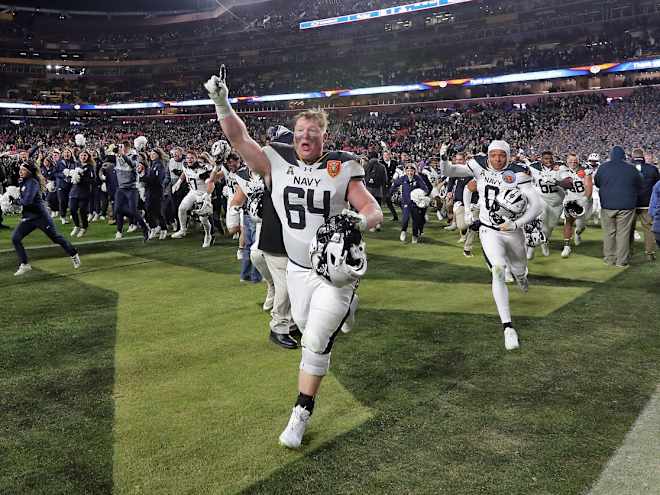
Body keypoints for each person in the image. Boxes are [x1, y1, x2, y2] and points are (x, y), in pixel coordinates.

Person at [205, 69, 383, 449]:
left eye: (312, 133)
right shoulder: (275, 162)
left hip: (334, 273)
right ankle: (346, 313)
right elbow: (238, 137)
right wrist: (221, 102)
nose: (305, 137)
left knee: (315, 341)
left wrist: (362, 220)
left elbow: (370, 207)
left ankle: (300, 413)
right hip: (299, 270)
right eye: (300, 132)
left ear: (323, 137)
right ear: (294, 134)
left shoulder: (341, 167)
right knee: (302, 323)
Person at [440, 140, 543, 351]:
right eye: (494, 155)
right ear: (488, 155)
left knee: (519, 269)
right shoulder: (478, 165)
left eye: (502, 155)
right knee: (497, 270)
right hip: (489, 229)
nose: (498, 159)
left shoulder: (518, 172)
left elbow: (537, 205)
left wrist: (516, 223)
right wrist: (443, 156)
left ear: (508, 155)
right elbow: (450, 171)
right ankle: (508, 327)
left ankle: (522, 277)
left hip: (513, 231)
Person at [11, 161, 80, 276]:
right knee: (15, 238)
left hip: (41, 217)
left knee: (56, 238)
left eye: (23, 170)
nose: (20, 171)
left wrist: (14, 201)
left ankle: (73, 254)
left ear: (29, 171)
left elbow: (27, 201)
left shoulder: (32, 183)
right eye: (20, 169)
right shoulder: (23, 182)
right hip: (29, 217)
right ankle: (24, 264)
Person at [594, 146, 642, 267]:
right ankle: (621, 261)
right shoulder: (631, 168)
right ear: (624, 156)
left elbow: (597, 183)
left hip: (607, 205)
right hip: (626, 205)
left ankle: (609, 259)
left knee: (609, 233)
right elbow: (640, 183)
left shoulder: (603, 167)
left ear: (611, 155)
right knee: (623, 234)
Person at [111, 141, 150, 241]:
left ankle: (145, 228)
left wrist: (123, 155)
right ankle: (119, 231)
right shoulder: (118, 155)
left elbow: (132, 165)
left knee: (132, 210)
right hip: (121, 187)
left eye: (121, 147)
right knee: (117, 210)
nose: (120, 149)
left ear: (127, 147)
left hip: (132, 188)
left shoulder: (134, 155)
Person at [560, 152, 593, 258]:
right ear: (567, 161)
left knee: (581, 226)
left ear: (578, 161)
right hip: (570, 199)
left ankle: (578, 233)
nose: (573, 162)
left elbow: (588, 187)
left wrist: (584, 200)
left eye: (575, 161)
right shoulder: (562, 170)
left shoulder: (585, 169)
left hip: (584, 199)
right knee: (568, 221)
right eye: (570, 161)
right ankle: (566, 246)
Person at [630, 148, 660, 262]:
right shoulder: (652, 169)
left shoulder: (628, 169)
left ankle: (628, 252)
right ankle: (650, 253)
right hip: (647, 203)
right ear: (643, 156)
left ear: (633, 156)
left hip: (631, 203)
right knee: (648, 229)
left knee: (628, 229)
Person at [389, 162, 429, 244]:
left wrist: (421, 194)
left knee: (415, 220)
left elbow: (425, 189)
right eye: (408, 171)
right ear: (405, 171)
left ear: (414, 171)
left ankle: (414, 236)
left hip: (415, 203)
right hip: (405, 202)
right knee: (405, 219)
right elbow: (395, 184)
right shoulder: (403, 178)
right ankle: (403, 231)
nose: (410, 172)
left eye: (411, 171)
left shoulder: (417, 178)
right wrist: (390, 193)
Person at [68, 150, 96, 238]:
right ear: (79, 156)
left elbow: (92, 180)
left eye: (85, 155)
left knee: (82, 211)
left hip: (84, 192)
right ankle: (76, 226)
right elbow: (69, 178)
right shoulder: (76, 165)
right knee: (72, 209)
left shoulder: (90, 167)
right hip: (74, 192)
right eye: (81, 155)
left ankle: (84, 227)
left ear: (88, 157)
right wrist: (71, 178)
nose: (83, 157)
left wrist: (81, 178)